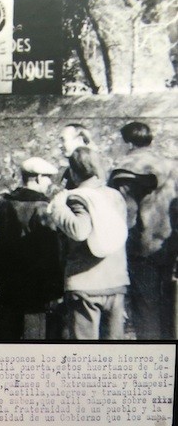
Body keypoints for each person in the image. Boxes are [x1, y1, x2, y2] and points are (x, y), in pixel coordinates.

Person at [49, 147, 129, 340]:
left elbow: (79, 230)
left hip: (85, 283)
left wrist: (58, 207)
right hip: (116, 281)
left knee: (85, 351)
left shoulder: (77, 197)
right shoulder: (115, 196)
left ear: (74, 172)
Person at [108, 121, 178, 339]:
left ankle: (152, 354)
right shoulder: (170, 166)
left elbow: (124, 214)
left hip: (140, 248)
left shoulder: (125, 171)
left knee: (146, 306)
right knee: (169, 303)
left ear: (127, 142)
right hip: (168, 244)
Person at [0, 157, 63, 340]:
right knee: (34, 338)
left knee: (6, 335)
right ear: (38, 178)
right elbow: (52, 253)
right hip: (36, 289)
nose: (49, 183)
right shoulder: (43, 208)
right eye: (48, 178)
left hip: (7, 283)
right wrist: (55, 289)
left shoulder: (2, 204)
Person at [59, 124, 105, 189]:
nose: (59, 145)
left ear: (79, 140)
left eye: (63, 140)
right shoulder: (70, 170)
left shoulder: (95, 166)